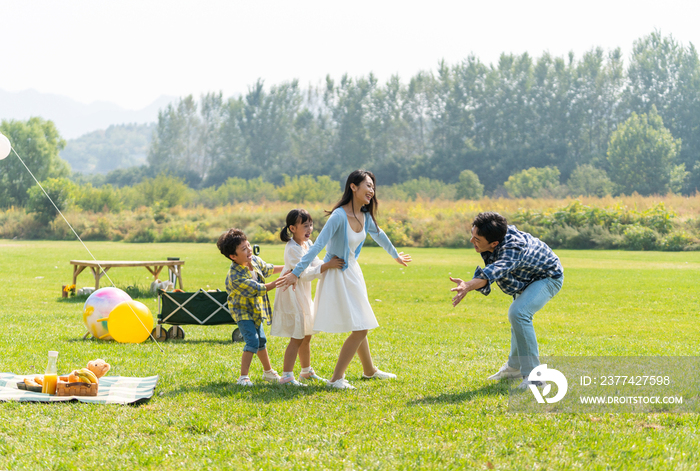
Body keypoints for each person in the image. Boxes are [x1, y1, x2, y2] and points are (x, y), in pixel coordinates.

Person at [278, 169, 412, 389]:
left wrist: (395, 254)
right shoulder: (339, 216)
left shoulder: (365, 216)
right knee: (361, 325)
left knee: (360, 321)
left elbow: (380, 235)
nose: (372, 190)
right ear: (353, 187)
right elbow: (318, 246)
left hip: (352, 272)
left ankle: (369, 370)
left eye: (373, 186)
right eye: (367, 185)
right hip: (336, 274)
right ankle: (336, 379)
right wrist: (295, 272)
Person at [449, 212, 563, 389]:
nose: (472, 241)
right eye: (472, 235)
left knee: (519, 313)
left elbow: (494, 271)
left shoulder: (513, 249)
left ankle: (535, 377)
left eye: (476, 239)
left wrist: (468, 285)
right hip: (525, 278)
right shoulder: (496, 233)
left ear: (494, 243)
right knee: (518, 318)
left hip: (548, 277)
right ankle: (514, 368)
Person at [271, 208, 344, 386]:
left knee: (306, 334)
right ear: (292, 228)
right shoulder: (292, 248)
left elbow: (315, 262)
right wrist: (327, 266)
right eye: (305, 225)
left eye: (310, 224)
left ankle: (306, 371)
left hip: (302, 293)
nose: (309, 228)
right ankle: (287, 376)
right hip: (293, 293)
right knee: (297, 335)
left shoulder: (307, 244)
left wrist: (327, 264)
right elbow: (301, 273)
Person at [217, 228, 285, 386]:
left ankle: (268, 372)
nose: (249, 250)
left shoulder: (254, 261)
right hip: (242, 312)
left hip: (256, 310)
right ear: (233, 256)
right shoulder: (235, 276)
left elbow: (268, 269)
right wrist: (277, 283)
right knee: (253, 341)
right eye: (243, 249)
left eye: (248, 246)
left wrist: (287, 267)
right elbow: (257, 288)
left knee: (261, 340)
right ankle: (243, 377)